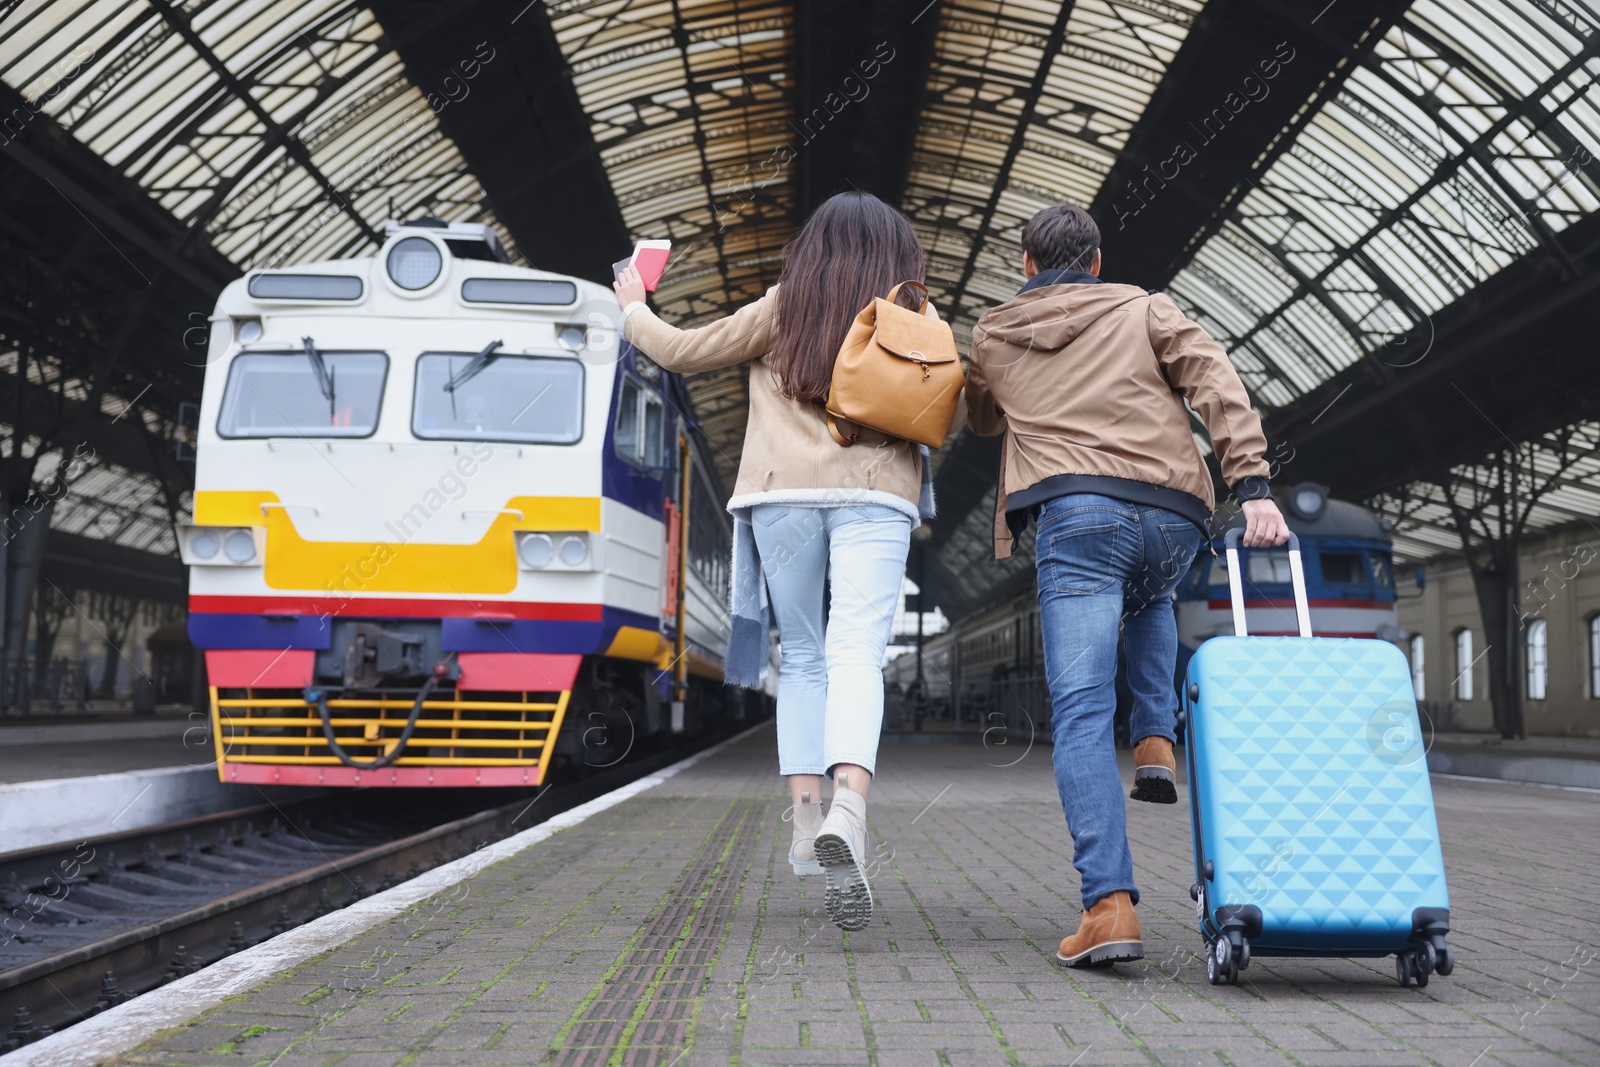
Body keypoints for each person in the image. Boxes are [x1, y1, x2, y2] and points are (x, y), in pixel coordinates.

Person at [614, 191, 961, 932]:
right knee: (857, 652)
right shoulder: (918, 316)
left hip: (781, 497)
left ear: (813, 246)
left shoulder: (784, 303)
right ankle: (849, 812)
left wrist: (635, 304)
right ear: (901, 252)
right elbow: (949, 412)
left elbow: (678, 349)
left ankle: (806, 822)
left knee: (802, 655)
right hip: (876, 496)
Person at [964, 204, 1290, 967]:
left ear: (1024, 265)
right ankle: (1156, 738)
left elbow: (980, 419)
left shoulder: (993, 332)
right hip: (1174, 513)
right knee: (1149, 592)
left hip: (1077, 514)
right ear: (1098, 261)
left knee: (1079, 713)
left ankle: (1108, 908)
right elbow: (1215, 379)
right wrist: (1254, 486)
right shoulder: (1148, 307)